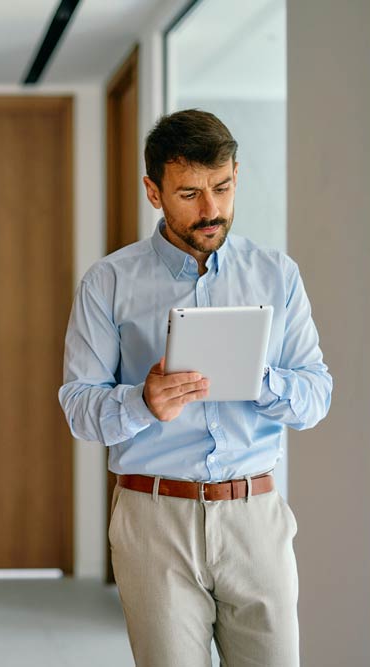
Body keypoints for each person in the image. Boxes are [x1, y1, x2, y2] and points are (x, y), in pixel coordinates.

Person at [57, 109, 332, 666]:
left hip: (255, 515)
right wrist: (141, 401)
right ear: (153, 192)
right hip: (153, 518)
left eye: (223, 188)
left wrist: (258, 379)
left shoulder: (277, 275)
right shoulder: (108, 282)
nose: (211, 210)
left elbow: (315, 396)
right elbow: (78, 407)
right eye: (189, 193)